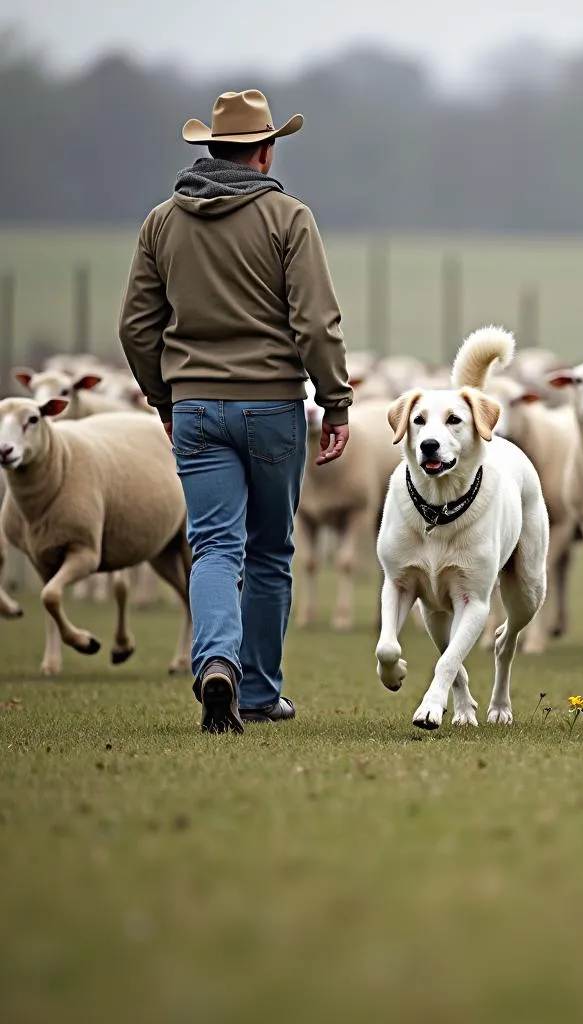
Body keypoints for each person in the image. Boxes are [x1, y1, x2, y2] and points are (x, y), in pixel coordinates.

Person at [119, 89, 352, 734]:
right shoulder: (289, 217)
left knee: (214, 545)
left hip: (194, 407)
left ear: (212, 147)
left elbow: (137, 326)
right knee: (271, 550)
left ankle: (214, 661)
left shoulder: (162, 222)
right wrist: (334, 402)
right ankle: (257, 692)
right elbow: (316, 322)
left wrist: (163, 396)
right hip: (274, 407)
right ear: (265, 149)